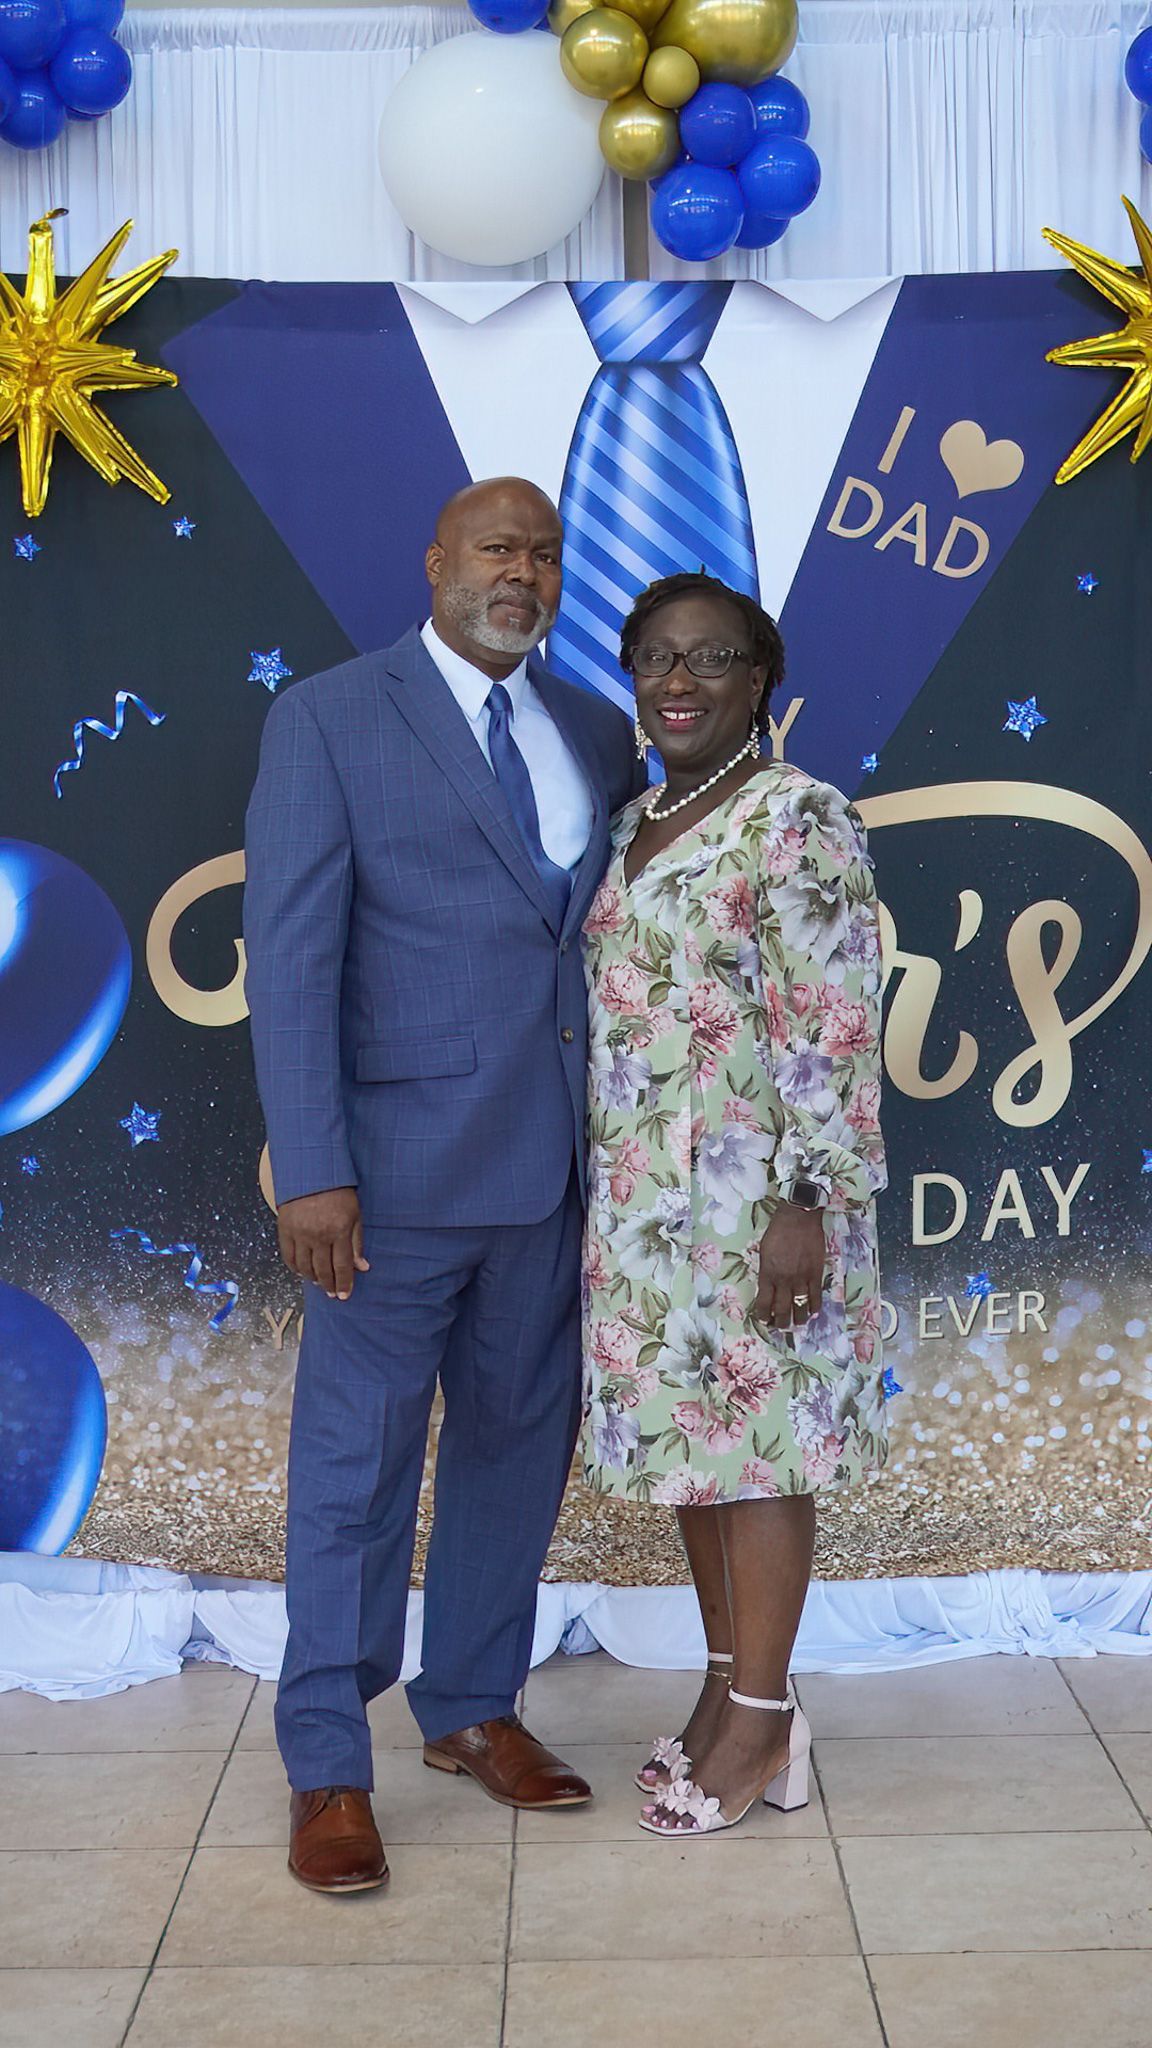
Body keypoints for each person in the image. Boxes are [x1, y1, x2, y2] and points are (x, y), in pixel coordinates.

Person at [243, 477, 644, 1893]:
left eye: (541, 553)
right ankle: (325, 1764)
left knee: (512, 1451)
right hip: (387, 1185)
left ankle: (470, 1705)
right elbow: (290, 961)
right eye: (495, 548)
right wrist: (313, 1170)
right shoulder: (330, 718)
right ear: (435, 564)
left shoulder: (598, 729)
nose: (519, 573)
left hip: (552, 1176)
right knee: (353, 1475)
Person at [580, 571, 887, 1838]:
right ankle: (730, 1688)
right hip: (650, 1207)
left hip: (762, 1202)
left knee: (759, 1458)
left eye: (710, 655)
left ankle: (761, 1722)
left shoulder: (798, 815)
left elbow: (833, 1022)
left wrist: (804, 1202)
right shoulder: (637, 818)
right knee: (695, 1463)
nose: (679, 679)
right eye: (656, 656)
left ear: (761, 678)